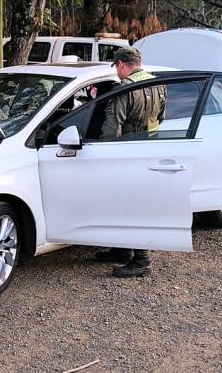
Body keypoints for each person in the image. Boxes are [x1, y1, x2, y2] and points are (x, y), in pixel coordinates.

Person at [93, 47, 167, 278]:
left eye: (116, 67)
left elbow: (112, 128)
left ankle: (142, 260)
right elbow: (160, 119)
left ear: (122, 64)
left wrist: (103, 156)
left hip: (125, 153)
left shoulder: (126, 89)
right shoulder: (158, 84)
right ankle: (123, 250)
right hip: (148, 150)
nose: (117, 72)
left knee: (131, 205)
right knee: (129, 203)